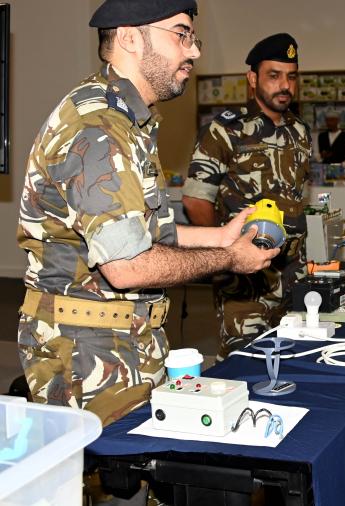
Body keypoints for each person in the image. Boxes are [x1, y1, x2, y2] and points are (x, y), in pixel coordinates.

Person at [16, 0, 278, 428]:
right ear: (130, 37)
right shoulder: (99, 129)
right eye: (181, 35)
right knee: (116, 482)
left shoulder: (125, 120)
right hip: (89, 351)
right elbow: (127, 266)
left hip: (118, 338)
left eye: (193, 37)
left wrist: (221, 236)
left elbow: (140, 231)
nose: (193, 51)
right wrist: (230, 260)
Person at [183, 33, 311, 360]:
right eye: (274, 75)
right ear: (253, 79)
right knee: (245, 367)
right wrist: (227, 253)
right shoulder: (224, 131)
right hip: (244, 282)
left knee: (295, 362)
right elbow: (196, 201)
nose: (285, 85)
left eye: (291, 76)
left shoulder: (300, 131)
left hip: (293, 276)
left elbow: (299, 199)